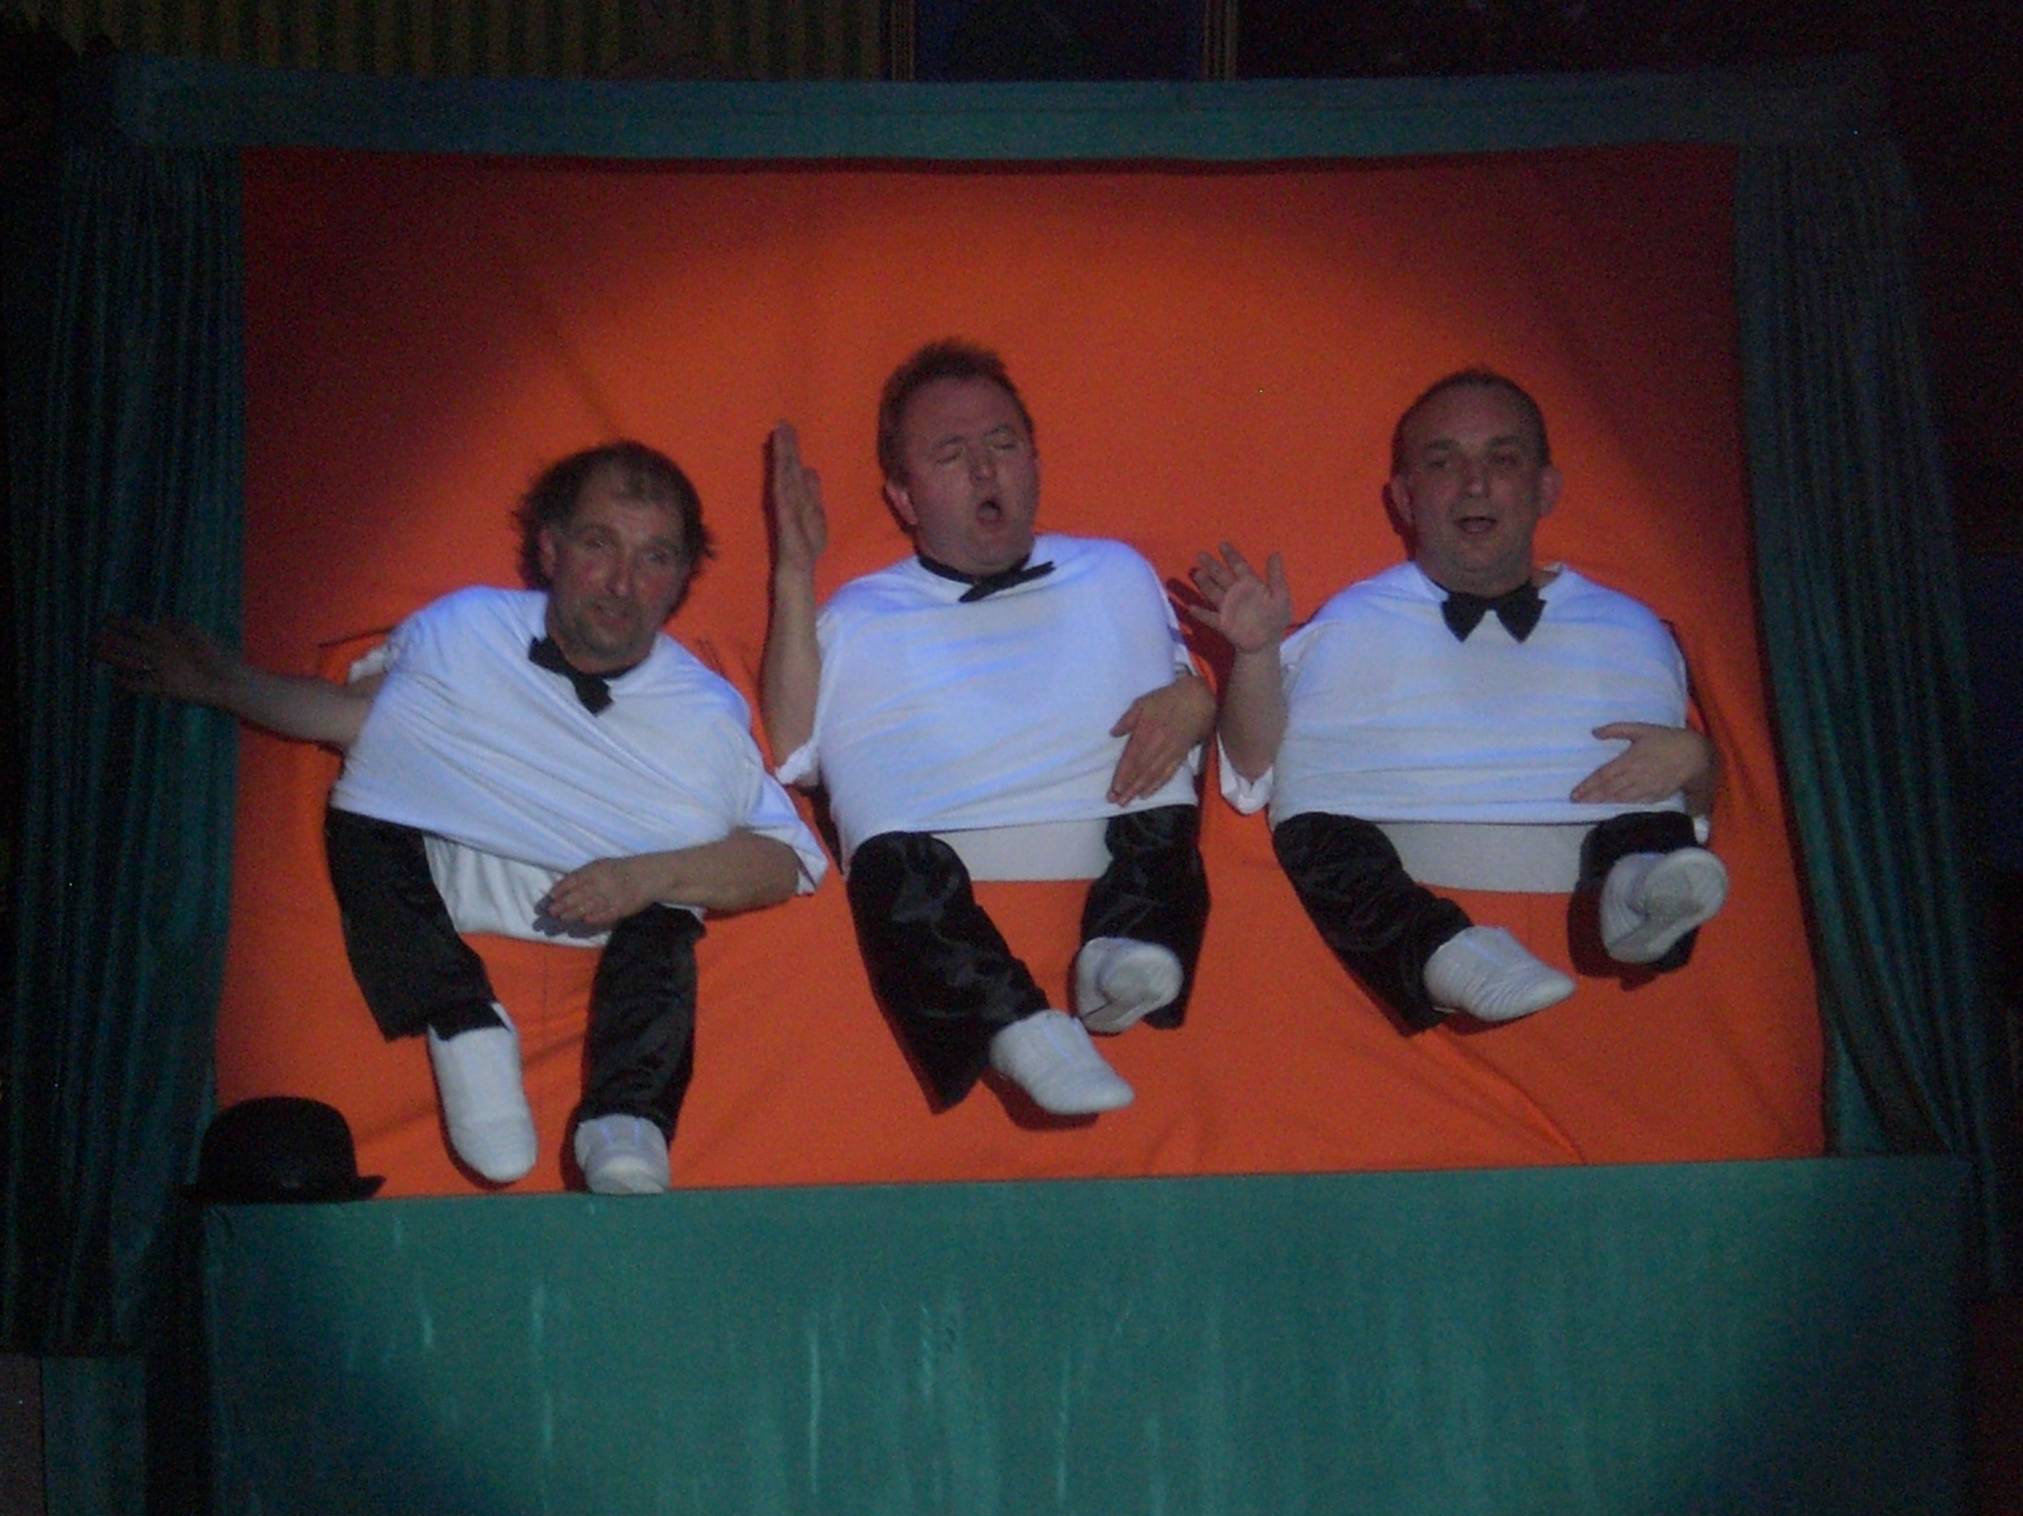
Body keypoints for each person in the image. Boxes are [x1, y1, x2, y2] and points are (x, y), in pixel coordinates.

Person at [100, 442, 826, 1193]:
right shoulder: (466, 632)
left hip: (619, 910)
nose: (621, 582)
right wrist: (225, 683)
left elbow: (784, 860)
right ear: (550, 548)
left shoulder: (703, 713)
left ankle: (627, 1118)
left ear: (680, 579)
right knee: (364, 813)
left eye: (654, 557)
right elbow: (360, 722)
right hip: (449, 886)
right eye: (598, 543)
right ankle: (463, 1021)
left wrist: (646, 876)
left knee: (669, 913)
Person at [1192, 368, 1724, 1030]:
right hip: (1398, 863)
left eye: (1502, 459)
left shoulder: (1631, 629)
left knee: (1660, 847)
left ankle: (1639, 893)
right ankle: (1443, 954)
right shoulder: (1351, 622)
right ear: (1404, 497)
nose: (1474, 484)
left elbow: (1696, 811)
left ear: (1545, 488)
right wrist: (1255, 654)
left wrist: (1698, 760)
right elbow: (1252, 772)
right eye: (1443, 462)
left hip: (1605, 858)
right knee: (1323, 842)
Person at [762, 340, 1212, 1117]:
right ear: (903, 498)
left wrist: (1196, 697)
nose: (983, 470)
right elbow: (791, 748)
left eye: (1002, 445)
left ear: (1034, 461)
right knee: (898, 877)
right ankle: (1019, 1030)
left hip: (1117, 824)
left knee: (1166, 833)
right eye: (949, 454)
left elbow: (1181, 693)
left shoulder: (1116, 571)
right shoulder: (859, 614)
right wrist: (794, 572)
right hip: (939, 855)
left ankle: (1127, 948)